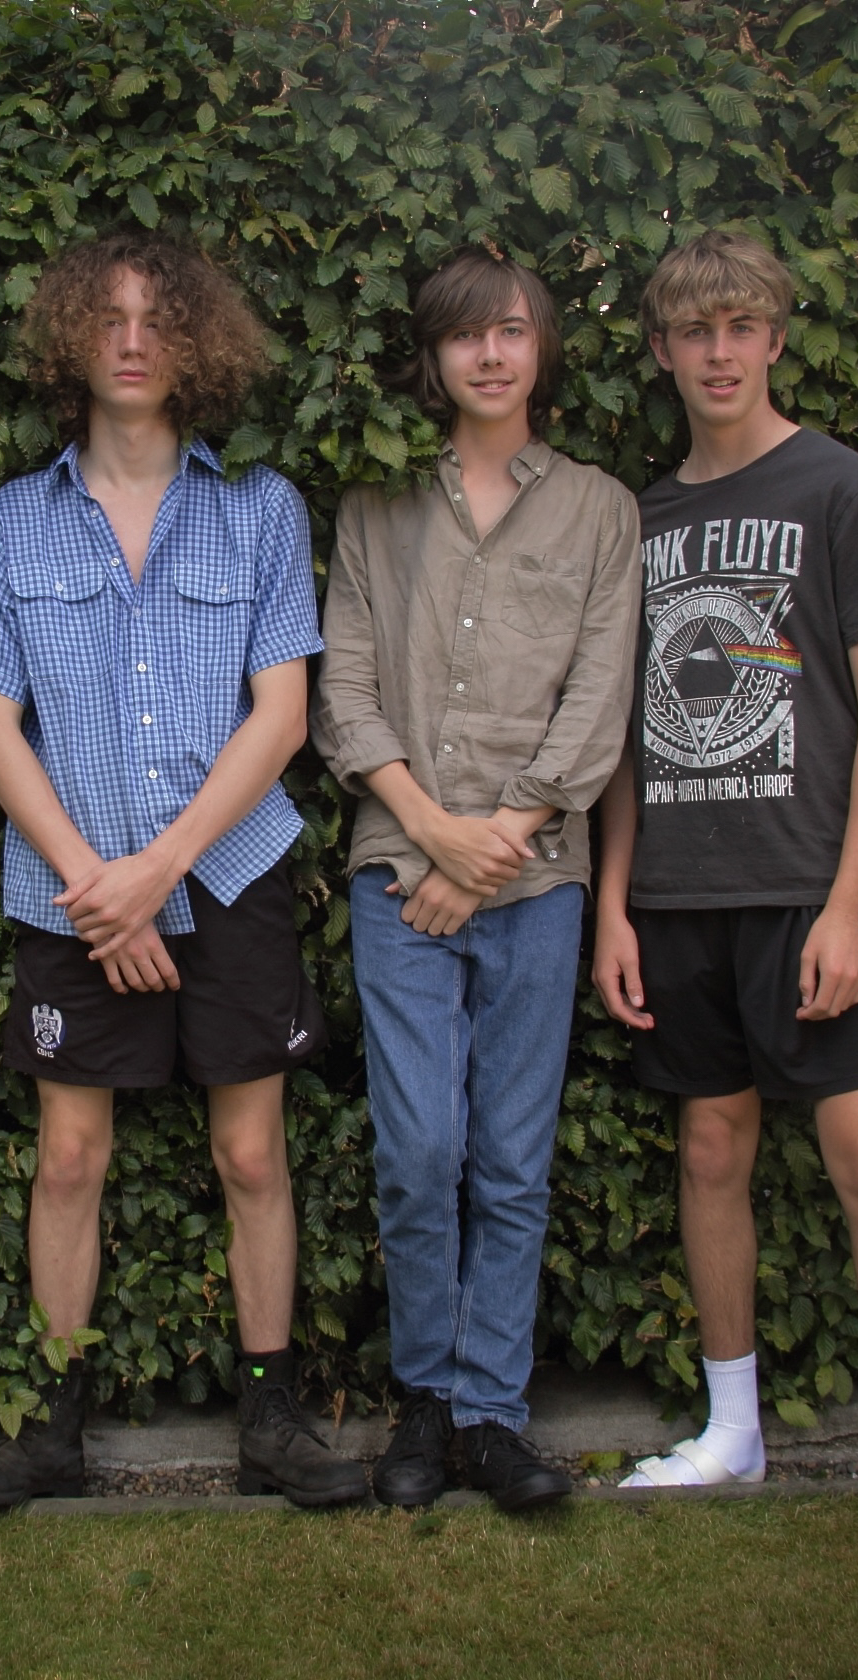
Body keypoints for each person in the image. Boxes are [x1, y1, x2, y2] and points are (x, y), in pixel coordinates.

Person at [592, 229, 858, 1635]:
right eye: (694, 330)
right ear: (661, 351)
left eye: (742, 326)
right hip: (680, 899)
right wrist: (614, 901)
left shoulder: (841, 488)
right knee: (711, 1153)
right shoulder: (642, 519)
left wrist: (849, 905)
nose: (719, 352)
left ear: (777, 338)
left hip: (811, 894)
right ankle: (734, 1432)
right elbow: (622, 736)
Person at [0, 230, 364, 1509]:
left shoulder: (258, 509)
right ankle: (51, 1426)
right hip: (71, 893)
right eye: (107, 318)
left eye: (156, 319)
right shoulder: (13, 523)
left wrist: (159, 870)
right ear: (73, 337)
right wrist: (96, 888)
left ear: (194, 343)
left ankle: (272, 1424)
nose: (130, 341)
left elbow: (282, 716)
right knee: (69, 1158)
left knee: (253, 1155)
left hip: (227, 879)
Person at [311, 249, 639, 1512]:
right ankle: (425, 1403)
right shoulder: (377, 505)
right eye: (465, 335)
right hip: (400, 873)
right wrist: (430, 831)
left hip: (539, 879)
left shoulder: (599, 509)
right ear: (433, 356)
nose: (490, 355)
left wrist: (494, 840)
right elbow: (344, 688)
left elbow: (598, 699)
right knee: (418, 1150)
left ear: (542, 348)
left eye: (511, 331)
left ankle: (493, 1417)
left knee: (509, 1158)